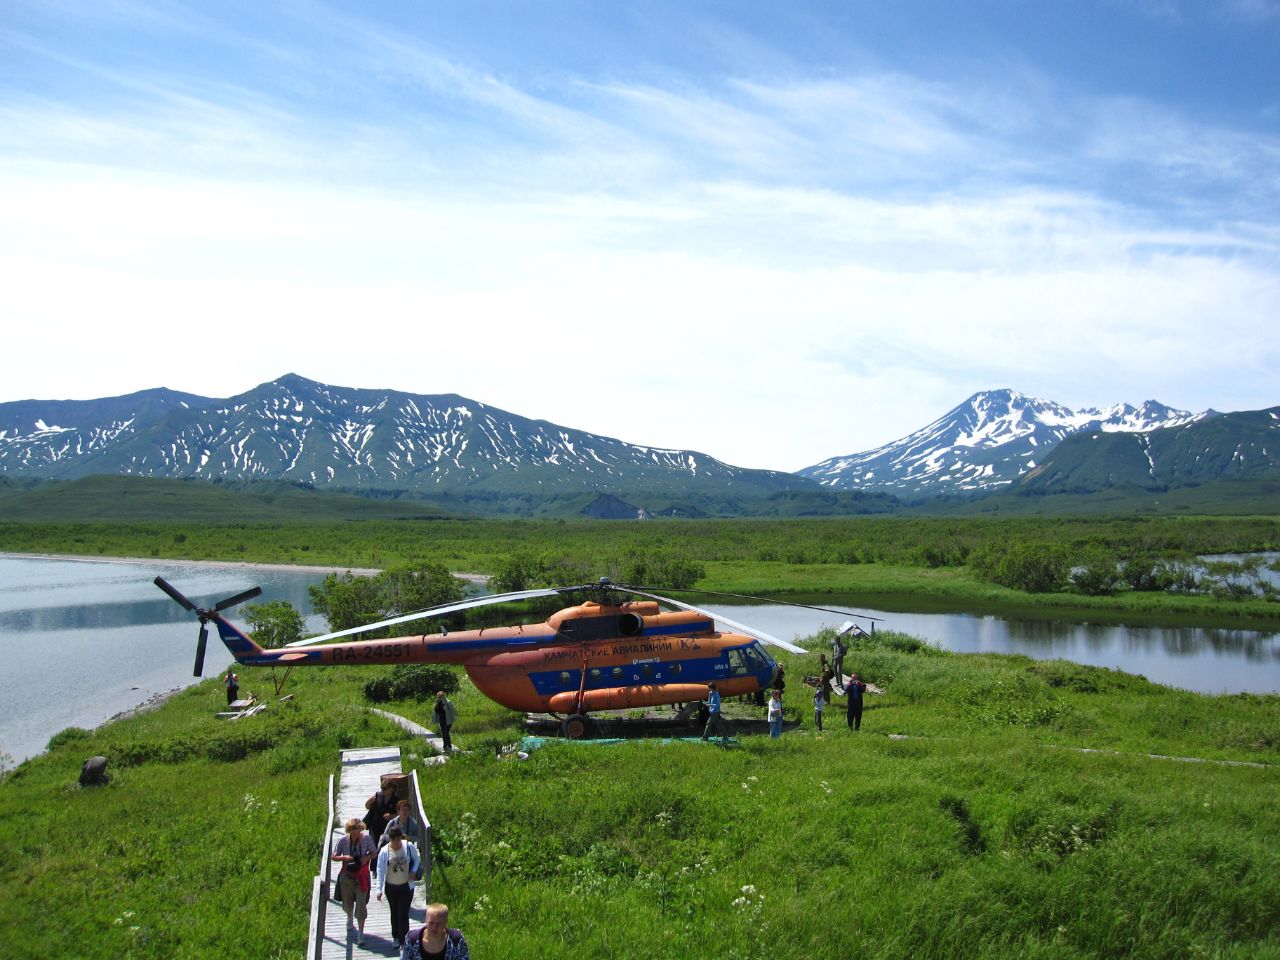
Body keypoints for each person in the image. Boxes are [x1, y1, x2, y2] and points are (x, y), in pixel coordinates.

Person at [375, 826, 421, 948]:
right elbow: (380, 870)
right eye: (394, 840)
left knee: (403, 913)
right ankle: (396, 937)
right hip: (391, 887)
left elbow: (417, 859)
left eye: (399, 839)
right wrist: (378, 889)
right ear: (390, 839)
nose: (397, 842)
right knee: (394, 912)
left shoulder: (409, 847)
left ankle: (404, 940)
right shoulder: (385, 852)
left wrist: (413, 871)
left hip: (406, 886)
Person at [333, 817, 376, 945]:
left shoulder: (367, 839)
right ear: (349, 830)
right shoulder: (343, 840)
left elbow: (374, 852)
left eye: (358, 828)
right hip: (347, 876)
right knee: (347, 903)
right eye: (353, 829)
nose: (356, 831)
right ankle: (349, 917)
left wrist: (366, 858)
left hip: (362, 876)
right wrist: (344, 857)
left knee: (361, 906)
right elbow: (333, 856)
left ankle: (360, 934)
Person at [401, 902, 470, 960]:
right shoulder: (412, 939)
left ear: (445, 922)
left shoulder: (456, 939)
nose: (434, 927)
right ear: (425, 921)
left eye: (438, 924)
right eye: (431, 923)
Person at [365, 779, 400, 870]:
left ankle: (385, 866)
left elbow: (399, 814)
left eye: (385, 789)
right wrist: (369, 802)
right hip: (375, 825)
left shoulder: (396, 799)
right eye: (382, 788)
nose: (383, 791)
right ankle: (373, 868)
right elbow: (367, 806)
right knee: (373, 846)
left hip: (388, 827)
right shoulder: (377, 796)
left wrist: (391, 816)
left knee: (385, 847)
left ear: (391, 789)